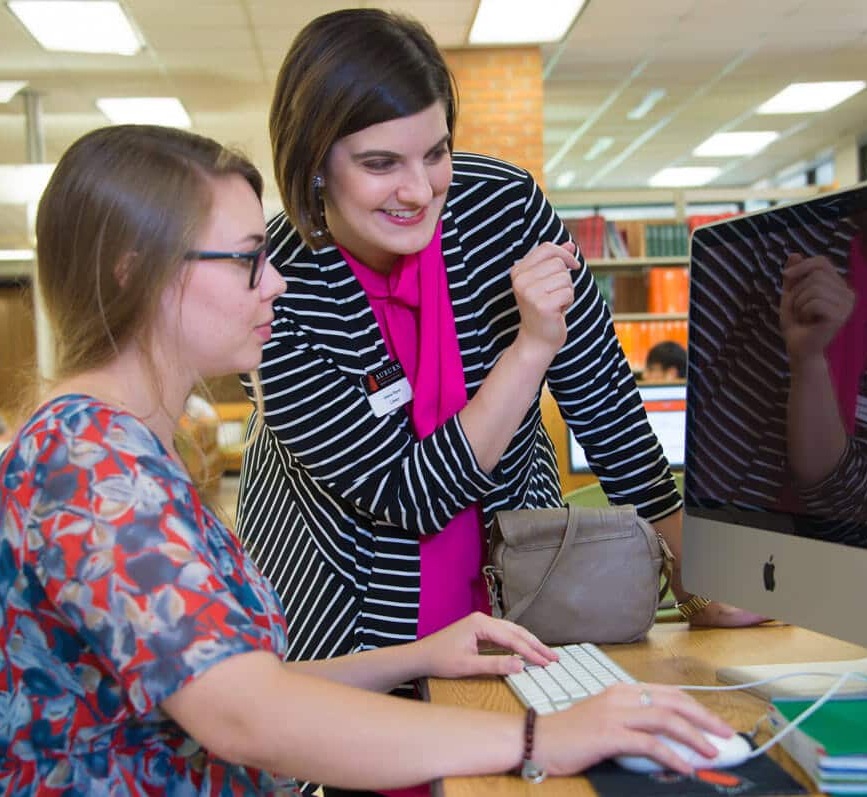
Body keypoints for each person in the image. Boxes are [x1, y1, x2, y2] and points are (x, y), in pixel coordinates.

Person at [0, 124, 735, 796]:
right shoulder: (90, 465)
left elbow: (235, 688)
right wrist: (535, 737)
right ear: (135, 273)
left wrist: (421, 655)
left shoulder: (122, 447)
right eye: (247, 258)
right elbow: (247, 718)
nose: (275, 281)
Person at [236, 8, 761, 688]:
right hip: (352, 611)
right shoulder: (278, 288)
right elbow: (408, 493)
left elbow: (598, 386)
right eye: (380, 163)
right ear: (312, 164)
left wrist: (693, 563)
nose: (419, 190)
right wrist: (530, 349)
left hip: (516, 573)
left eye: (436, 152)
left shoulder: (502, 207)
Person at [684, 196, 867, 548]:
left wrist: (809, 361)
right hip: (733, 541)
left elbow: (854, 506)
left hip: (826, 557)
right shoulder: (778, 245)